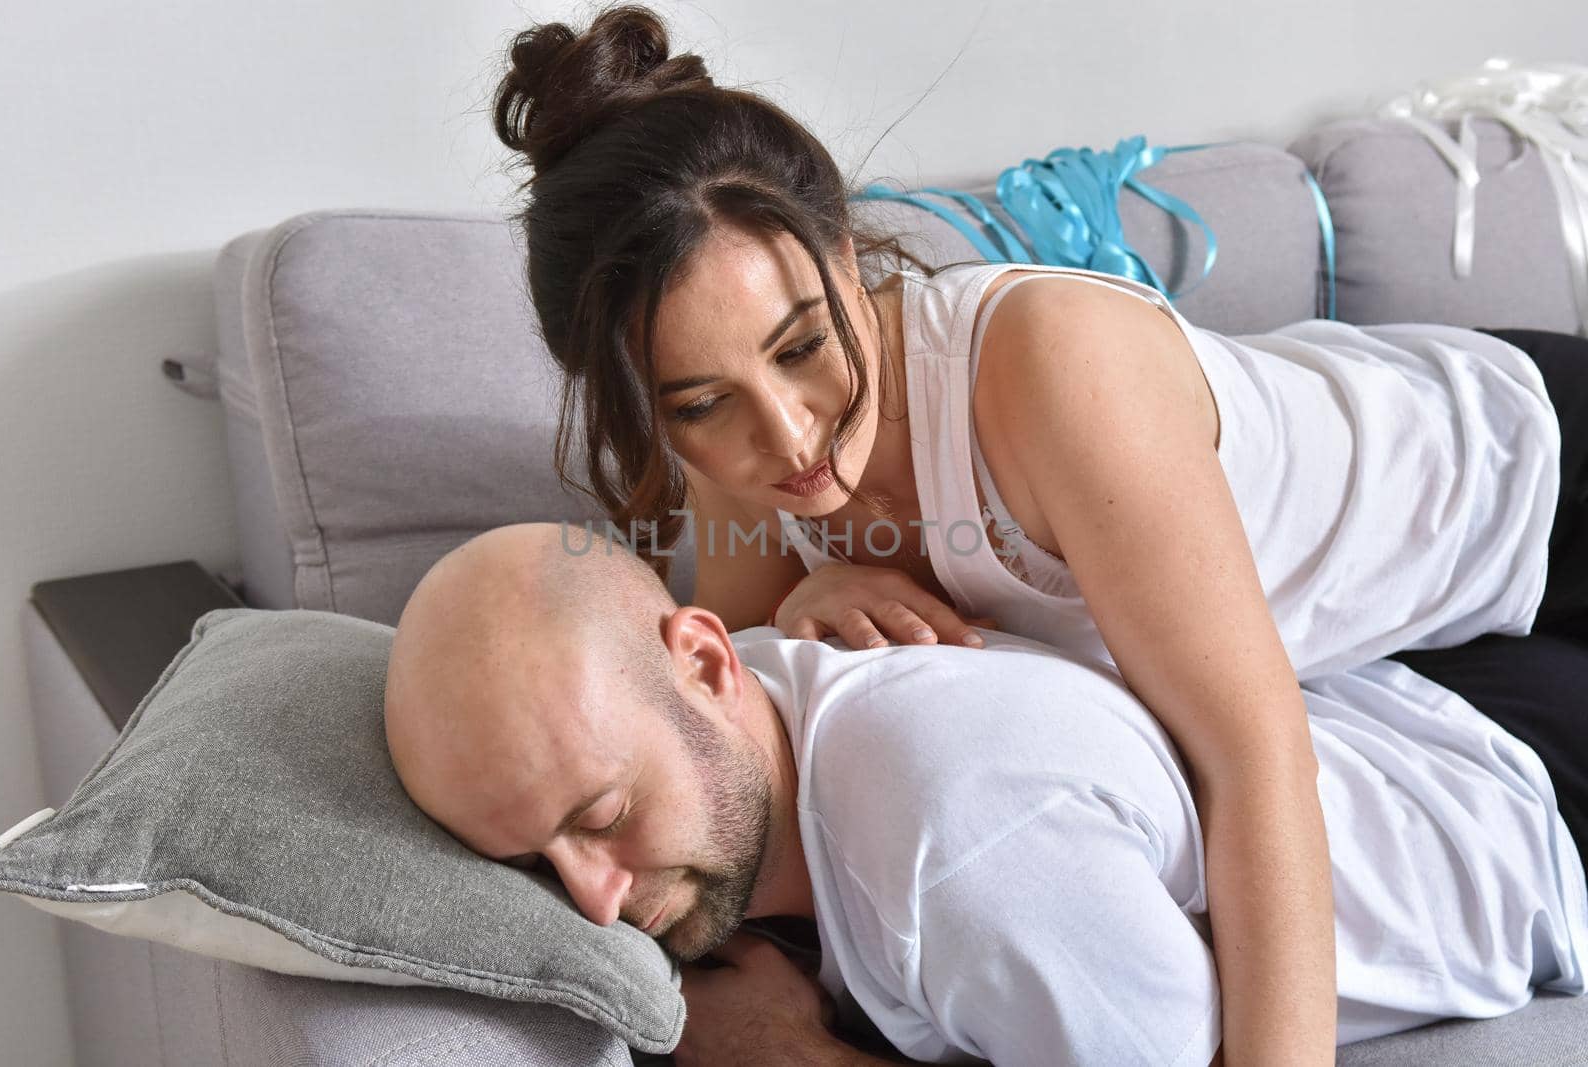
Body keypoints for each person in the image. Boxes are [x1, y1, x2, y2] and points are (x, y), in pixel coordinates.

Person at [488, 6, 1588, 1061]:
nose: (785, 435)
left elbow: (1254, 764)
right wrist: (798, 604)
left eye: (800, 344)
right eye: (696, 402)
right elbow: (742, 734)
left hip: (1523, 479)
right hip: (1398, 662)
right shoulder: (740, 469)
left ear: (842, 243)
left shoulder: (1047, 370)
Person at [382, 524, 1588, 1067]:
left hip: (1528, 815)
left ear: (707, 662)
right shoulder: (727, 708)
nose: (590, 903)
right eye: (533, 861)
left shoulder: (954, 845)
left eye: (597, 817)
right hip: (1418, 712)